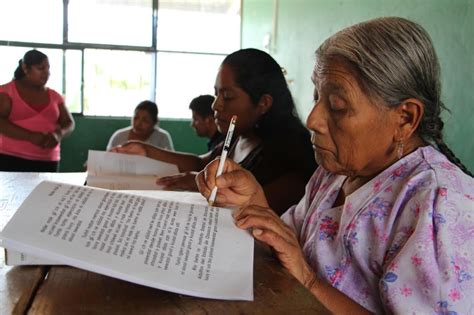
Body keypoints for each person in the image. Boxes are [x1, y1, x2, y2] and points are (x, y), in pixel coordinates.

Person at [196, 17, 474, 314]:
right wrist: (253, 203)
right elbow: (287, 248)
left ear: (404, 118)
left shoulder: (438, 205)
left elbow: (300, 270)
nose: (313, 120)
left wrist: (310, 281)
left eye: (337, 106)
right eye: (316, 96)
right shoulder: (333, 174)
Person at [112, 48, 317, 214]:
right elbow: (202, 163)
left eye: (227, 96)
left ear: (263, 103)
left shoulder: (292, 155)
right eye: (216, 94)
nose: (216, 105)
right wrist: (146, 151)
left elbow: (257, 210)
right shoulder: (242, 137)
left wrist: (205, 188)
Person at [0, 49, 75, 172]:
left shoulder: (55, 96)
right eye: (41, 68)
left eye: (48, 68)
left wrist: (59, 134)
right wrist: (30, 136)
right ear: (25, 68)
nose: (47, 73)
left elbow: (69, 123)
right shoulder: (6, 92)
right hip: (11, 158)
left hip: (48, 161)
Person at [106, 100, 174, 151]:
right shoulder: (119, 136)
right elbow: (108, 160)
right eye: (136, 118)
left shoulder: (162, 137)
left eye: (145, 120)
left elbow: (170, 162)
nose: (138, 123)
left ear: (154, 122)